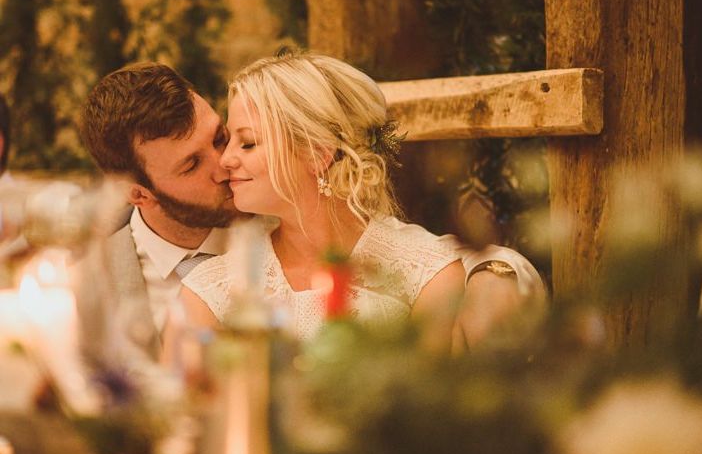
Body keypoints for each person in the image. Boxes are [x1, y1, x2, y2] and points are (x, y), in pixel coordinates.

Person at [181, 52, 545, 349]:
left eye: (248, 143)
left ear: (317, 154)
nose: (226, 160)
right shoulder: (211, 289)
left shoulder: (427, 274)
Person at [78, 62, 238, 363]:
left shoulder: (283, 227)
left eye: (219, 138)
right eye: (191, 165)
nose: (224, 166)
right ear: (139, 194)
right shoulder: (89, 284)